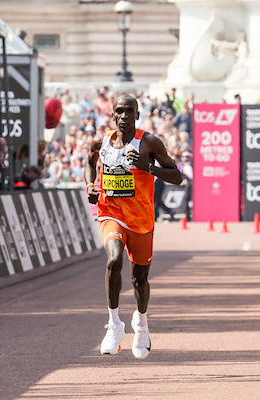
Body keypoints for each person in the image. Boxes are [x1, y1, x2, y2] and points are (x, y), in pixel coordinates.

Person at [85, 94, 182, 358]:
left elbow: (177, 176)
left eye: (130, 111)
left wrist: (147, 167)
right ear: (112, 115)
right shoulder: (101, 142)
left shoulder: (149, 142)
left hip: (140, 221)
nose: (124, 116)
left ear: (137, 115)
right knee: (113, 260)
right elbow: (90, 163)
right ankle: (114, 324)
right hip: (111, 213)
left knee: (139, 280)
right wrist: (90, 185)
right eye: (119, 111)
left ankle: (141, 324)